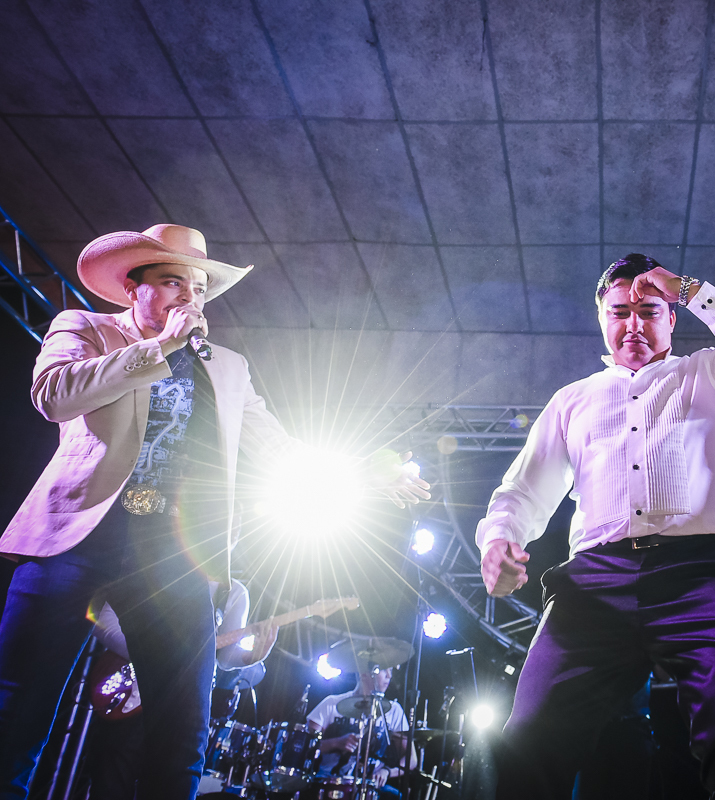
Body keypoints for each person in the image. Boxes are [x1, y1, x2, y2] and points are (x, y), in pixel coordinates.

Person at [0, 225, 429, 800]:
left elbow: (277, 444)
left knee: (183, 728)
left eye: (199, 288)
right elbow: (54, 396)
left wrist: (365, 476)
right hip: (78, 537)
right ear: (135, 289)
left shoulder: (226, 366)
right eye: (172, 281)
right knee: (17, 702)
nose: (188, 297)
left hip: (173, 555)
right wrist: (159, 349)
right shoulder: (84, 329)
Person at [476, 254, 715, 799]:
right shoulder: (571, 401)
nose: (632, 325)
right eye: (618, 311)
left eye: (649, 310)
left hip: (704, 574)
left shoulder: (712, 373)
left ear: (672, 317)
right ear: (601, 317)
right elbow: (523, 490)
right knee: (529, 741)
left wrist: (691, 288)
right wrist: (499, 540)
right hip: (596, 581)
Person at [86, 579, 278, 800]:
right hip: (135, 693)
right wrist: (154, 657)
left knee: (173, 782)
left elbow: (224, 657)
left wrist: (252, 657)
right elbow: (101, 618)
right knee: (111, 784)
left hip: (185, 705)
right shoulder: (160, 565)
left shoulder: (234, 592)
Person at [307, 666, 411, 794]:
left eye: (391, 671)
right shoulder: (331, 703)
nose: (389, 676)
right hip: (329, 784)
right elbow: (304, 747)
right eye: (384, 670)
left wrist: (387, 771)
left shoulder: (394, 710)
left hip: (370, 787)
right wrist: (336, 743)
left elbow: (411, 759)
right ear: (364, 673)